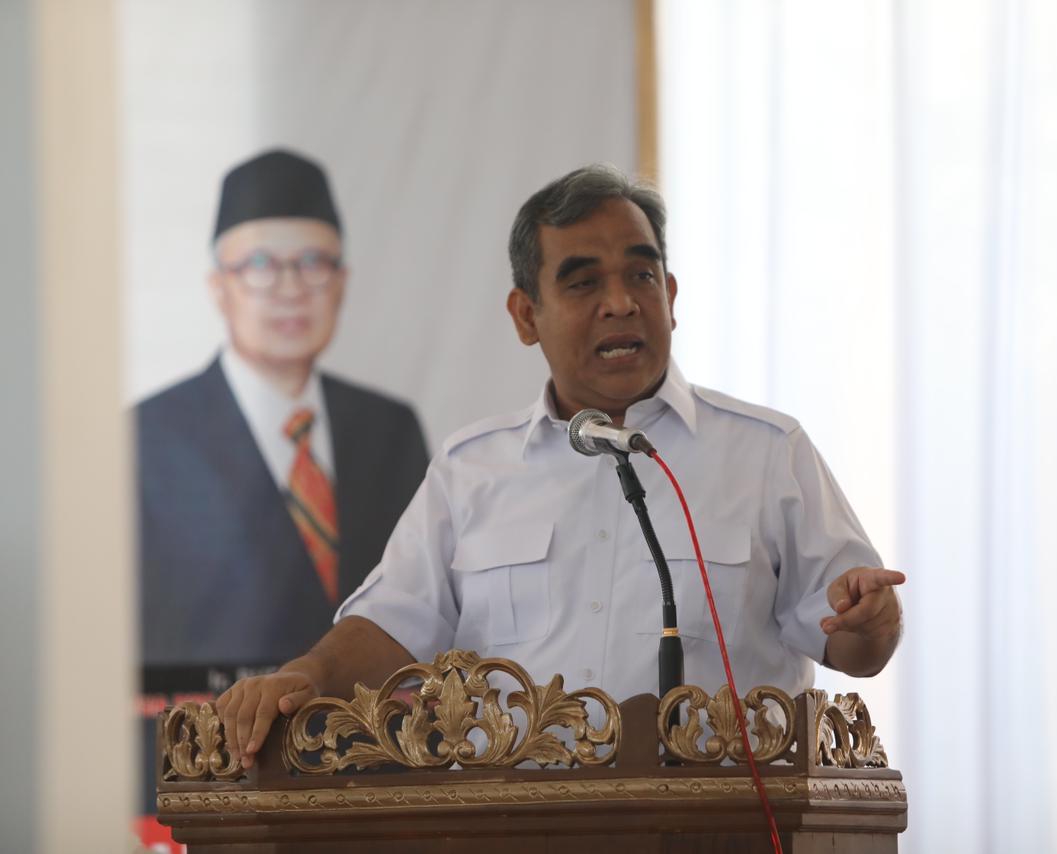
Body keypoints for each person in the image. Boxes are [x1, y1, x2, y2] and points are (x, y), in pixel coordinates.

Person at [215, 164, 905, 769]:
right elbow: (393, 622)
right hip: (515, 823)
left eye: (641, 275)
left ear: (670, 295)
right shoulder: (471, 469)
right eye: (583, 282)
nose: (621, 302)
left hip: (716, 827)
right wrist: (308, 674)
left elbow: (856, 643)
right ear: (526, 316)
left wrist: (870, 621)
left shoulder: (766, 452)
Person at [137, 149, 430, 671]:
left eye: (314, 263)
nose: (291, 290)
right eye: (259, 265)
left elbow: (423, 605)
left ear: (341, 284)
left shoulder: (390, 430)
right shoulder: (143, 439)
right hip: (208, 722)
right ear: (218, 289)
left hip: (375, 721)